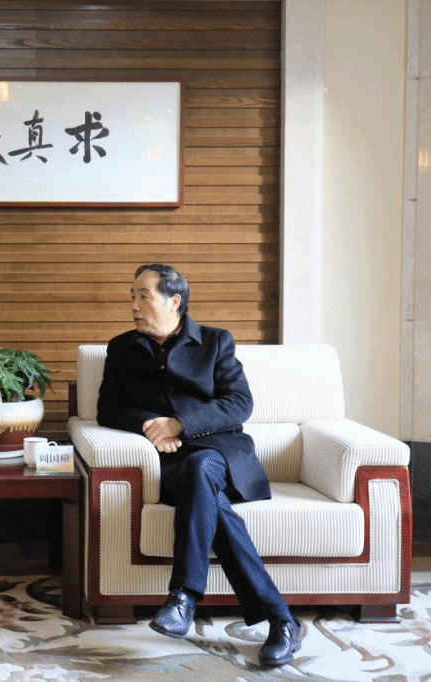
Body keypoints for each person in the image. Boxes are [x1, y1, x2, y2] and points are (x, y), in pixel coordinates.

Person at [96, 263, 302, 668]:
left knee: (201, 468)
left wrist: (180, 424)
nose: (133, 305)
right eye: (132, 296)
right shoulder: (121, 348)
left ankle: (183, 597)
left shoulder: (215, 342)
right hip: (169, 465)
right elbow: (108, 409)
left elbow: (239, 403)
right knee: (208, 497)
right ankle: (282, 620)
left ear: (174, 301)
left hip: (219, 453)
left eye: (143, 296)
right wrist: (149, 425)